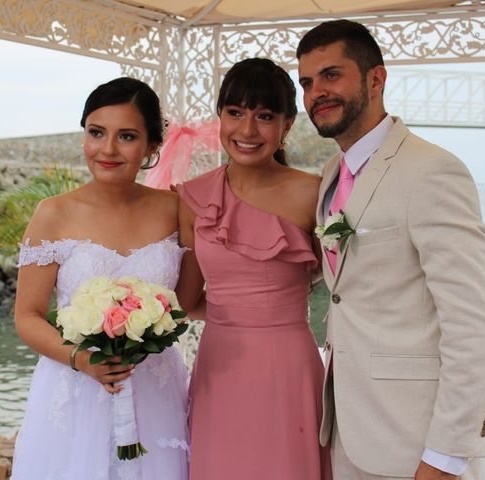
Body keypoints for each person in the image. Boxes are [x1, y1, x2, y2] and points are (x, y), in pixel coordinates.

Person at [297, 20, 485, 480]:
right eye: (307, 83)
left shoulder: (432, 171)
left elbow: (475, 322)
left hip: (415, 446)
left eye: (332, 75)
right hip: (346, 433)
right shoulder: (333, 172)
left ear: (376, 79)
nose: (316, 93)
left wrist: (446, 457)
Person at [12, 77, 189, 480]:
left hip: (154, 392)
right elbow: (28, 315)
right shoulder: (53, 213)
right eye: (96, 133)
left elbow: (189, 302)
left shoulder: (176, 209)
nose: (107, 149)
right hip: (74, 391)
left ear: (151, 148)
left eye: (126, 136)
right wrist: (84, 360)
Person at [176, 58, 331, 480]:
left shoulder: (313, 193)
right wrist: (238, 315)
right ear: (220, 117)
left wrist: (272, 312)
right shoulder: (193, 198)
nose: (246, 131)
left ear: (288, 124)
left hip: (289, 366)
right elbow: (187, 300)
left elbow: (335, 277)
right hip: (219, 367)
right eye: (235, 113)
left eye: (264, 116)